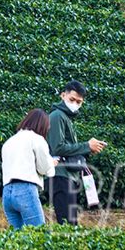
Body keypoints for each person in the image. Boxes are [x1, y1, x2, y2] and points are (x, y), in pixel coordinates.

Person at [46, 80, 106, 225]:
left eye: (79, 102)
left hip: (69, 176)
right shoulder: (57, 116)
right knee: (67, 223)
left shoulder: (66, 118)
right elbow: (57, 148)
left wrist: (88, 150)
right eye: (72, 99)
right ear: (62, 95)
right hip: (60, 176)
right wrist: (86, 145)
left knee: (71, 222)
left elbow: (68, 148)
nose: (75, 104)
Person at [0, 108, 55, 228]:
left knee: (16, 239)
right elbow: (44, 169)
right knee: (39, 235)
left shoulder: (9, 142)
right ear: (42, 125)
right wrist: (52, 164)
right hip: (25, 190)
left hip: (7, 192)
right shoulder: (37, 139)